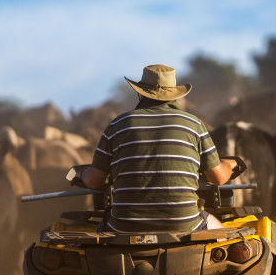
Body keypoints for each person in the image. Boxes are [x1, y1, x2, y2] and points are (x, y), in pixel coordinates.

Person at [77, 64, 237, 232]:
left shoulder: (118, 125)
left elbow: (94, 181)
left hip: (124, 226)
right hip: (185, 225)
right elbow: (218, 179)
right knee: (226, 234)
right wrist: (229, 165)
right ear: (175, 95)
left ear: (140, 93)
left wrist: (81, 173)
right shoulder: (193, 124)